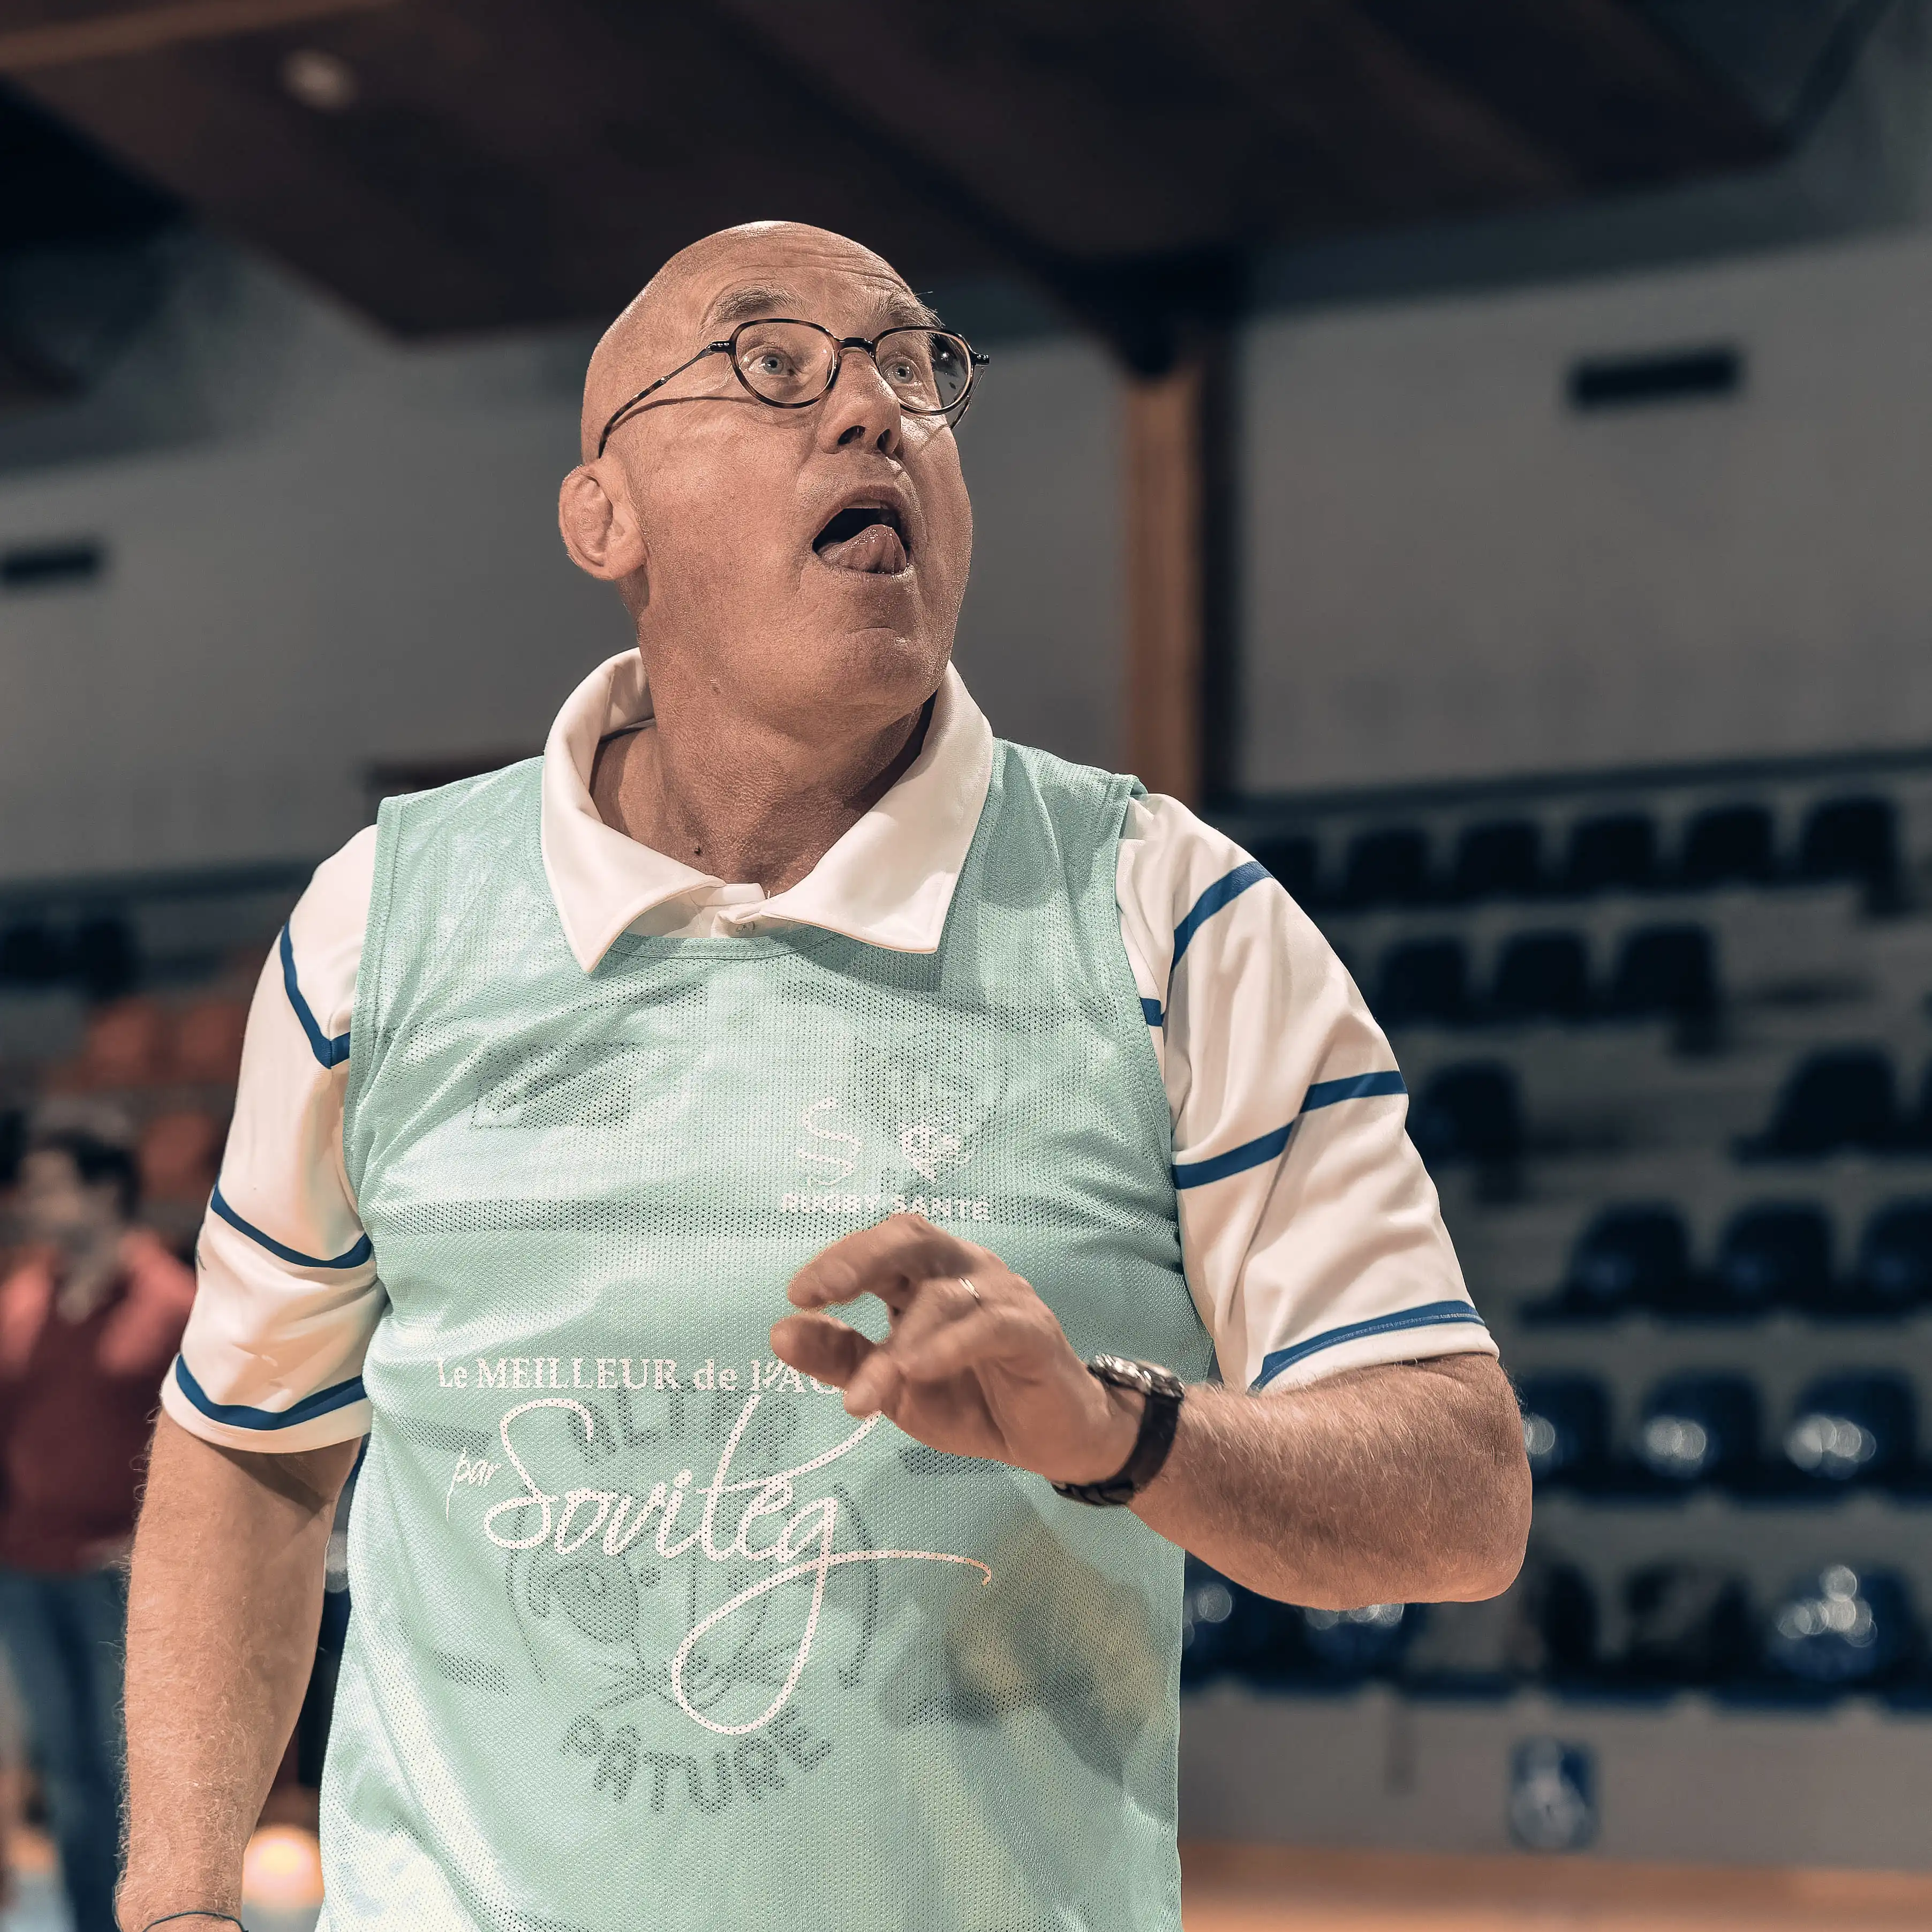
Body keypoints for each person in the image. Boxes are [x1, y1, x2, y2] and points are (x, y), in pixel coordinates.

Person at [119, 221, 1530, 1932]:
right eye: (775, 366)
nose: (872, 412)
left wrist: (1115, 1430)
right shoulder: (377, 924)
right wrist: (181, 1899)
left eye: (916, 369)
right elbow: (253, 1447)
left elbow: (1458, 1500)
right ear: (605, 519)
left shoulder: (1170, 915)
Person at [0, 1121, 192, 1932]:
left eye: (49, 1185)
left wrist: (160, 1545)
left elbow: (206, 1448)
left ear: (106, 1191)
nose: (31, 1203)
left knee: (135, 1778)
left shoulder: (172, 1301)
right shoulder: (22, 1300)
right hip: (28, 1571)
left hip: (127, 1579)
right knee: (70, 1778)